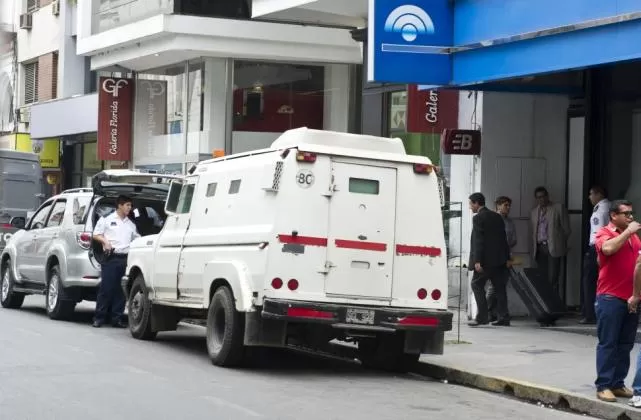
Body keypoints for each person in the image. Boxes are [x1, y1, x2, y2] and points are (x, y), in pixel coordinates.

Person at [593, 200, 640, 403]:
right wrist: (628, 232)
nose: (630, 217)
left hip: (631, 298)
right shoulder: (605, 232)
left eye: (631, 213)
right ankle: (603, 385)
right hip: (610, 297)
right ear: (613, 216)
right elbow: (607, 249)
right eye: (626, 213)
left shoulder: (634, 237)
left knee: (625, 344)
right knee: (608, 343)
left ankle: (617, 383)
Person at [92, 195, 140, 328]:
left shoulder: (130, 224)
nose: (130, 208)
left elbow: (137, 238)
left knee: (121, 290)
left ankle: (116, 319)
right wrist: (105, 242)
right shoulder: (106, 219)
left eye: (131, 206)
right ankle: (99, 318)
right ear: (120, 205)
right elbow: (96, 234)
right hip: (111, 257)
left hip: (125, 259)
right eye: (127, 205)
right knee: (106, 288)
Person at [468, 192, 511, 327]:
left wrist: (477, 261)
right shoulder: (497, 217)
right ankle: (503, 317)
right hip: (499, 260)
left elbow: (478, 240)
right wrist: (506, 258)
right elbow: (503, 239)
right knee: (500, 289)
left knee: (476, 285)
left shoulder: (478, 218)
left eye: (471, 204)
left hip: (485, 262)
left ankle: (482, 317)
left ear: (476, 203)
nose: (470, 207)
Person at [530, 186, 571, 297]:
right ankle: (545, 305)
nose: (541, 199)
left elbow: (566, 229)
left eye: (543, 196)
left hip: (553, 246)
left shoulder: (558, 208)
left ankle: (553, 303)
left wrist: (562, 243)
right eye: (538, 197)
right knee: (542, 277)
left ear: (547, 196)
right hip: (539, 248)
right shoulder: (534, 212)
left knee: (553, 277)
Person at [581, 186, 610, 324]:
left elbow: (598, 233)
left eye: (591, 194)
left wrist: (597, 251)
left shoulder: (600, 210)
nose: (589, 197)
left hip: (597, 248)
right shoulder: (609, 207)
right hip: (607, 248)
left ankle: (589, 314)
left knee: (589, 281)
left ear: (599, 194)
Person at [487, 196, 517, 322]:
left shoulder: (510, 221)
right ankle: (488, 311)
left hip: (507, 255)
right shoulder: (493, 219)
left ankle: (497, 313)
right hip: (496, 257)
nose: (508, 208)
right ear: (498, 206)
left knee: (502, 284)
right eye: (505, 205)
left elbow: (514, 239)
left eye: (509, 205)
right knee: (494, 287)